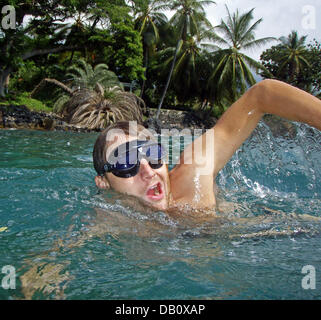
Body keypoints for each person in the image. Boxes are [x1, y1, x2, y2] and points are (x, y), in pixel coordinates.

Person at [93, 79, 321, 213]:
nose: (148, 171)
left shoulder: (194, 171)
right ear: (103, 181)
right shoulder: (108, 220)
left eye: (152, 153)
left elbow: (262, 95)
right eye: (125, 161)